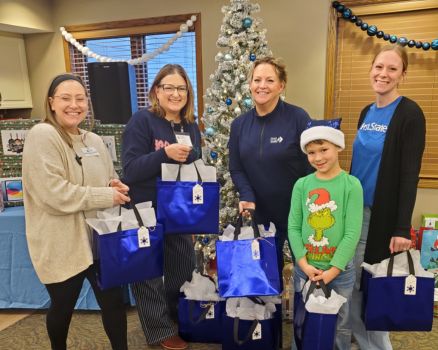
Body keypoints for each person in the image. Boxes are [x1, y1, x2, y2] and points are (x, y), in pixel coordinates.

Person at [22, 73, 130, 350]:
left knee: (114, 304)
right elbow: (54, 194)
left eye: (80, 98)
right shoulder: (42, 135)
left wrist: (112, 183)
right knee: (63, 308)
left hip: (99, 240)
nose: (74, 105)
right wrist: (106, 194)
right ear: (51, 103)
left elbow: (106, 176)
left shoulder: (93, 140)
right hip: (63, 242)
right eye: (66, 98)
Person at [350, 45, 426, 349]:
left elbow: (410, 174)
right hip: (354, 214)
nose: (384, 74)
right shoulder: (366, 112)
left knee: (373, 290)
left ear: (402, 75)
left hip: (380, 219)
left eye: (392, 69)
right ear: (371, 69)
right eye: (379, 67)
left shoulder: (409, 113)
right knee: (355, 287)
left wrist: (401, 228)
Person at [122, 64, 201, 350]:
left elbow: (195, 167)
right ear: (157, 90)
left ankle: (180, 320)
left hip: (179, 211)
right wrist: (163, 154)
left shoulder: (190, 125)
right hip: (145, 208)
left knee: (184, 266)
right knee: (148, 274)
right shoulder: (142, 121)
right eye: (169, 87)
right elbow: (130, 170)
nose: (175, 93)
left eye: (181, 88)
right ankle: (160, 330)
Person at [228, 56, 312, 272]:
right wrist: (246, 195)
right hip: (261, 216)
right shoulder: (239, 125)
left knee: (307, 277)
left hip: (297, 214)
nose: (262, 86)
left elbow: (311, 165)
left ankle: (304, 308)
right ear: (250, 84)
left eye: (269, 80)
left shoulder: (297, 118)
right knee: (266, 279)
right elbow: (236, 167)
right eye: (257, 80)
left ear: (281, 86)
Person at [288, 125, 363, 349]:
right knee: (302, 322)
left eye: (323, 149)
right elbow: (293, 227)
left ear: (337, 147)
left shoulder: (351, 185)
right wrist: (303, 263)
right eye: (311, 152)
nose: (318, 157)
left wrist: (333, 270)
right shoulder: (302, 185)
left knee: (339, 324)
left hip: (339, 272)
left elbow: (352, 233)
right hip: (306, 270)